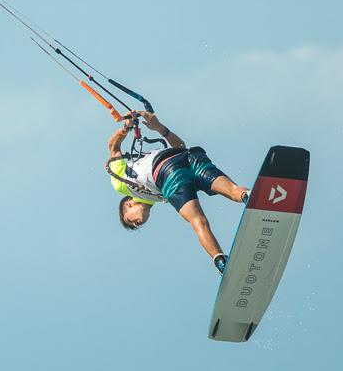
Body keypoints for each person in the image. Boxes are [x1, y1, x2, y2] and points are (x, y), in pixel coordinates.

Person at [106, 111, 249, 275]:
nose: (136, 225)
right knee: (233, 191)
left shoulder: (121, 184)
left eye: (130, 221)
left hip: (167, 172)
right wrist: (160, 128)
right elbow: (181, 147)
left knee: (198, 220)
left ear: (128, 204)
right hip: (188, 158)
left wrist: (126, 127)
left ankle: (220, 262)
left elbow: (114, 148)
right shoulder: (156, 198)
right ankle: (248, 196)